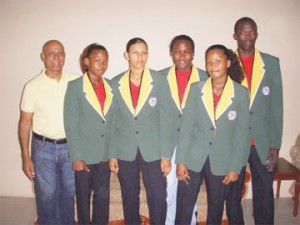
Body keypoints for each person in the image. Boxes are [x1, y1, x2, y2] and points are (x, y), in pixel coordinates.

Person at [175, 44, 250, 225]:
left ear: (228, 62)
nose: (213, 66)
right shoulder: (196, 89)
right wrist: (180, 161)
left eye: (218, 61)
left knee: (215, 208)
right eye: (209, 62)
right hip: (193, 157)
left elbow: (242, 135)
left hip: (222, 159)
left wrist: (235, 167)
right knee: (184, 205)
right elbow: (186, 127)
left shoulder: (240, 93)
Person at [226, 17, 283, 225]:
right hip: (235, 143)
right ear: (235, 36)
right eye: (243, 32)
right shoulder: (227, 63)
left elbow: (277, 106)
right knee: (232, 194)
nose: (248, 36)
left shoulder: (271, 63)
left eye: (252, 32)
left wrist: (275, 144)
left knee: (264, 194)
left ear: (256, 35)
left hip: (263, 142)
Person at [108, 37, 171, 225]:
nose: (140, 57)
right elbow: (112, 122)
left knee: (158, 195)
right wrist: (112, 154)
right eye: (135, 53)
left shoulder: (159, 81)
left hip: (153, 149)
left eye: (144, 52)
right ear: (127, 55)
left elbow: (166, 119)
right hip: (125, 149)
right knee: (129, 195)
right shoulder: (115, 83)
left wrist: (166, 155)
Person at [18, 40, 77, 225]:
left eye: (60, 53)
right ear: (43, 57)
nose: (56, 57)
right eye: (51, 53)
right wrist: (25, 156)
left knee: (69, 192)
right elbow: (25, 122)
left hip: (70, 147)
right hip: (43, 147)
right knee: (46, 195)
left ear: (65, 57)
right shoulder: (32, 86)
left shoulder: (75, 82)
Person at [158, 34, 207, 225]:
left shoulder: (205, 77)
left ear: (193, 54)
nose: (182, 56)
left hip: (193, 144)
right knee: (169, 190)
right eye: (177, 51)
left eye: (187, 52)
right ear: (171, 53)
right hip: (169, 143)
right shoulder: (160, 77)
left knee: (189, 190)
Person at [64, 43, 113, 225]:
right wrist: (76, 157)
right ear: (87, 61)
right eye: (97, 60)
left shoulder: (110, 87)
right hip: (84, 156)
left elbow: (112, 123)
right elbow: (71, 125)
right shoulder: (76, 87)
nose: (102, 64)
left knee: (102, 199)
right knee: (83, 201)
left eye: (105, 61)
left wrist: (112, 154)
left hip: (103, 156)